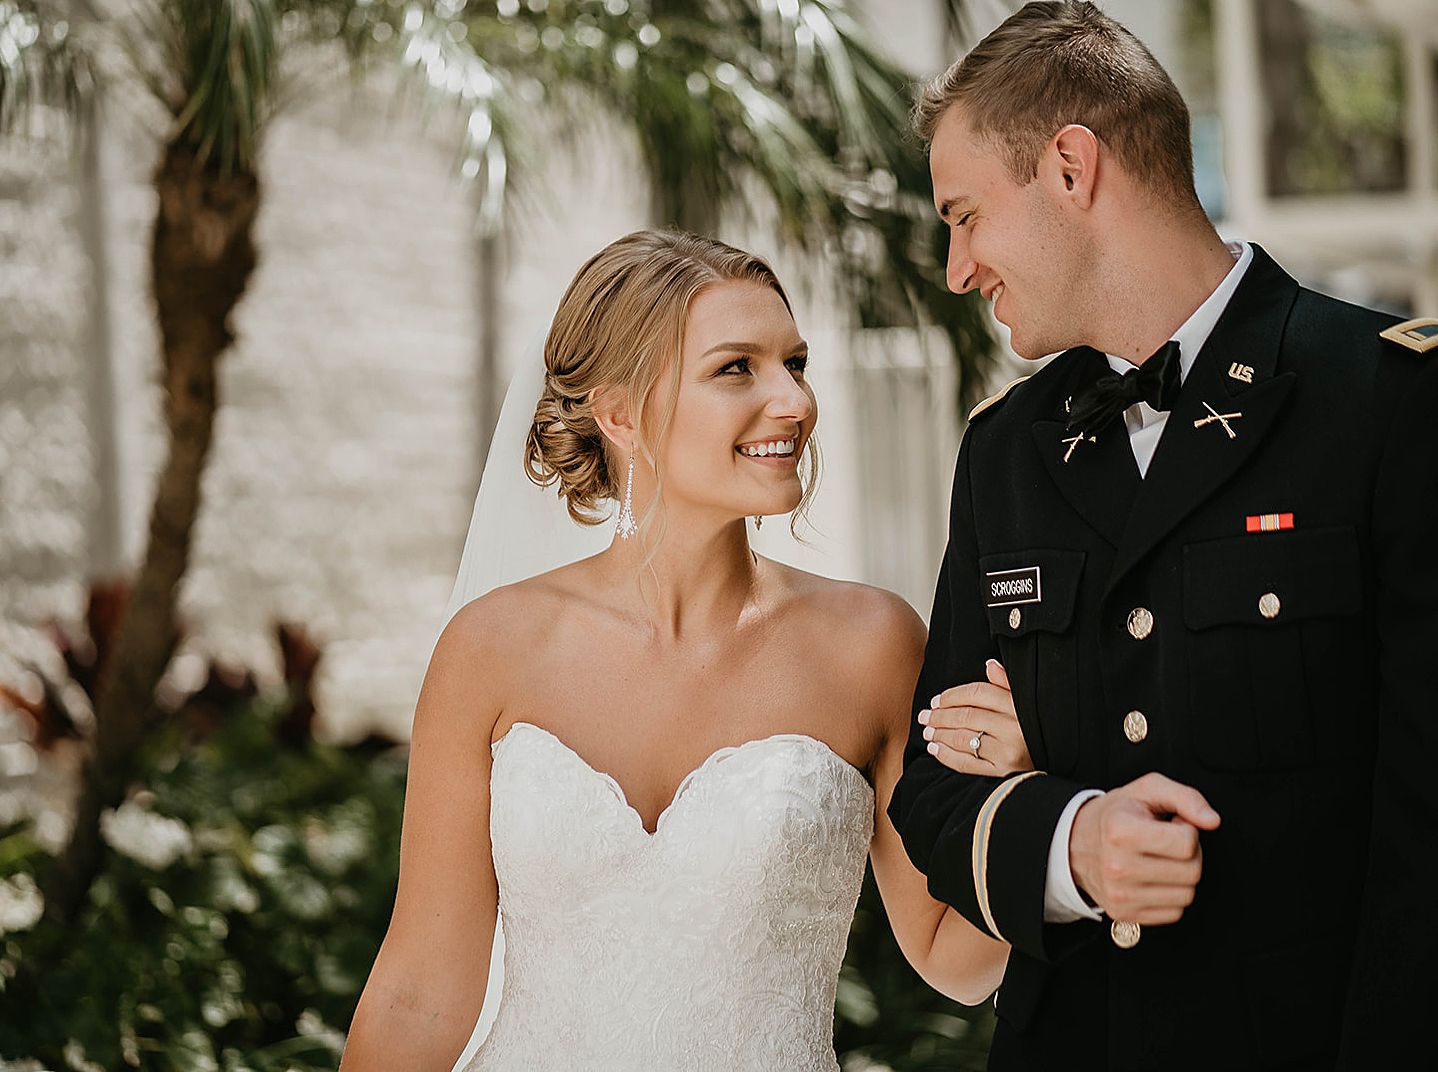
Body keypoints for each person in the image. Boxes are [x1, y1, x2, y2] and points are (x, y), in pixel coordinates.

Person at [339, 229, 1031, 1071]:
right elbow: (418, 998)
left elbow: (949, 957)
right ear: (621, 413)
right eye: (736, 367)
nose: (794, 401)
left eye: (796, 363)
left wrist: (1029, 789)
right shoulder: (491, 650)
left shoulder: (872, 646)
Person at [891, 4, 1438, 1070]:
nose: (957, 268)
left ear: (1068, 167)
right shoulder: (1004, 452)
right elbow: (930, 790)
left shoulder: (1387, 404)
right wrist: (1067, 841)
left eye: (965, 215)